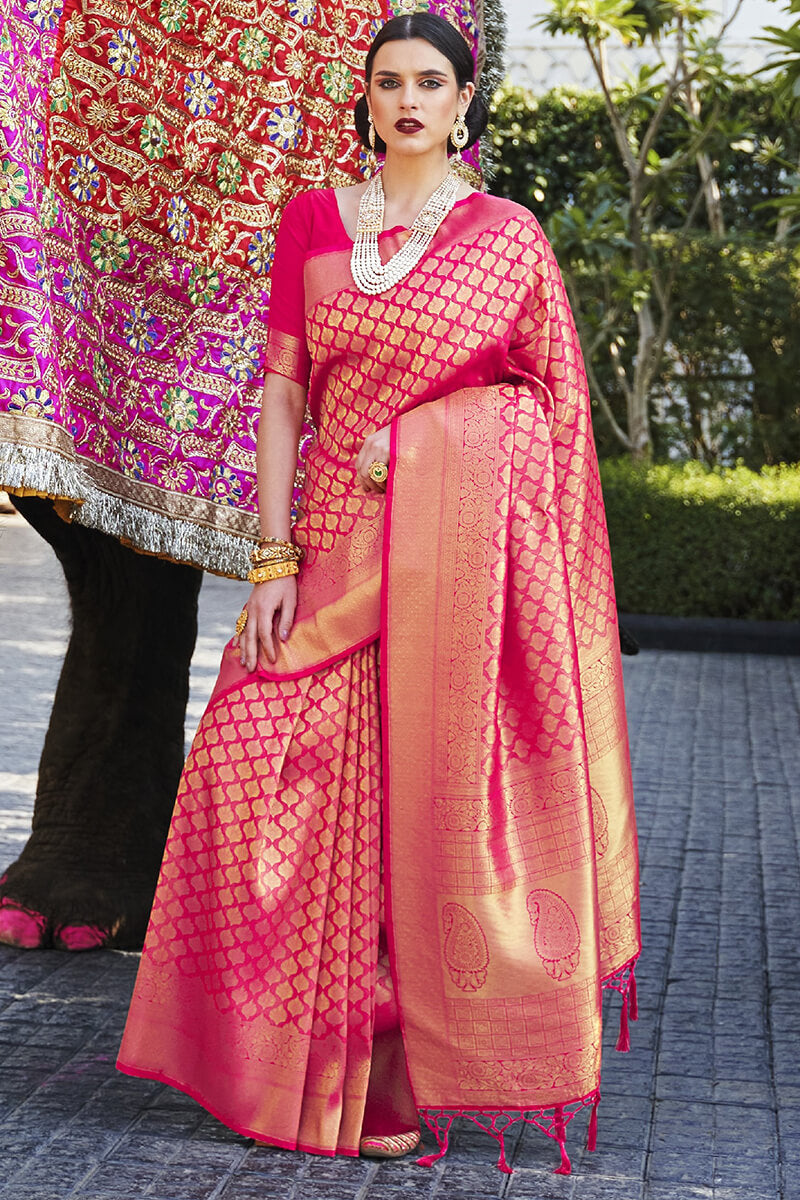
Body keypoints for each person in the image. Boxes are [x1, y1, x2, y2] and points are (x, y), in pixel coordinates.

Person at [117, 12, 641, 1175]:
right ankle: (266, 1060)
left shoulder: (506, 239)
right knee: (250, 770)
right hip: (327, 555)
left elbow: (549, 418)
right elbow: (281, 400)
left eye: (430, 83)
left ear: (464, 103)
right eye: (388, 83)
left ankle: (386, 1074)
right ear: (364, 99)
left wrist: (424, 450)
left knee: (416, 808)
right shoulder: (312, 221)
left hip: (446, 571)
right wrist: (269, 557)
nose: (407, 101)